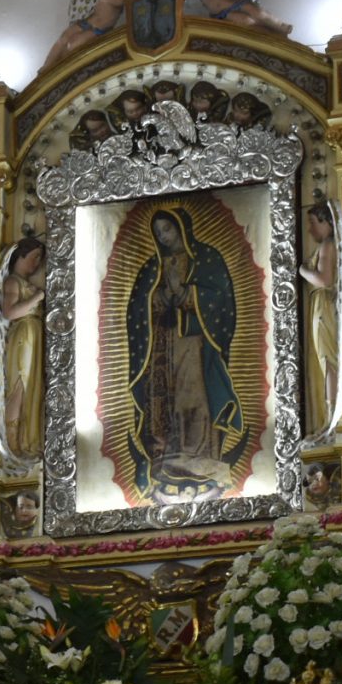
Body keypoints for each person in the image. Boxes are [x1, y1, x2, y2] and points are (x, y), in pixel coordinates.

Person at [124, 206, 244, 499]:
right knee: (163, 395)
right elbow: (137, 309)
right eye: (159, 233)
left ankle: (199, 454)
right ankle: (165, 455)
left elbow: (221, 302)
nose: (164, 237)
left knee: (194, 395)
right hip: (162, 344)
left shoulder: (207, 260)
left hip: (194, 343)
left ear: (181, 228)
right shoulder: (152, 267)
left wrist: (188, 294)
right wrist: (160, 297)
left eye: (168, 229)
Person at [0, 233, 48, 460]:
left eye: (39, 260)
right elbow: (9, 312)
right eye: (34, 258)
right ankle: (14, 443)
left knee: (34, 387)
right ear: (21, 256)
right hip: (23, 336)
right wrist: (36, 299)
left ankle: (30, 437)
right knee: (20, 386)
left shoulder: (26, 284)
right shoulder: (12, 282)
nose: (36, 264)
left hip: (33, 335)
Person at [300, 201, 342, 433]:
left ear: (326, 222)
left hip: (324, 305)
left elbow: (324, 279)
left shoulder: (328, 245)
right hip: (322, 305)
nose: (310, 229)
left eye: (313, 223)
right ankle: (331, 416)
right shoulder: (327, 245)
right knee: (327, 361)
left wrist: (302, 270)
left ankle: (332, 418)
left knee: (329, 361)